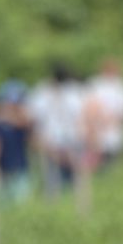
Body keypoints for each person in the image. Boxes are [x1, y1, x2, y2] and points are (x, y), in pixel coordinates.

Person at [27, 64, 88, 192]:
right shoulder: (45, 92)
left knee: (65, 177)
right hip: (56, 141)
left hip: (64, 140)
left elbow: (33, 117)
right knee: (58, 178)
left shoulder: (71, 92)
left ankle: (61, 202)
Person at [0, 80, 34, 205]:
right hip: (3, 170)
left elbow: (32, 137)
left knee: (21, 203)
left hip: (20, 169)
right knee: (3, 203)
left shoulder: (23, 123)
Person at [85, 57, 123, 168]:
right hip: (94, 130)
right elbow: (89, 107)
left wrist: (110, 120)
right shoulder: (95, 84)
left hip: (114, 130)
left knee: (110, 160)